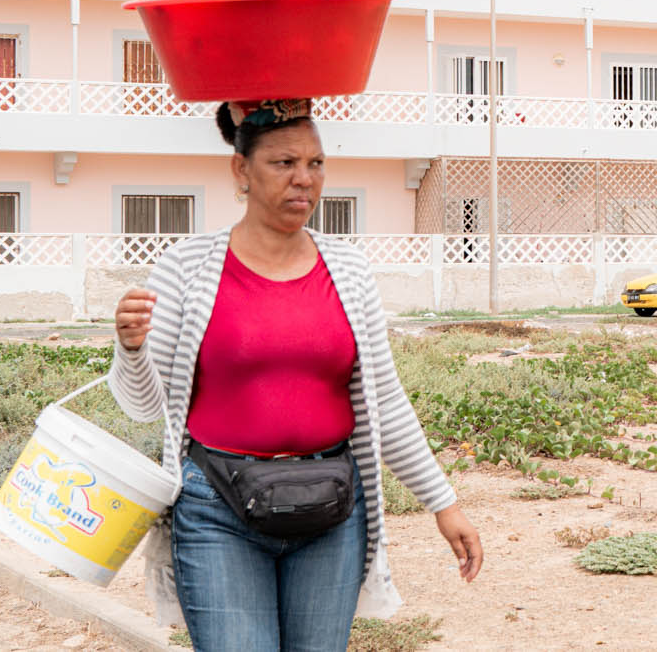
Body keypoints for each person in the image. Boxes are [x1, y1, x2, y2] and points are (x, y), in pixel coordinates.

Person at [113, 99, 482, 651]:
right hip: (217, 507)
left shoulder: (349, 268)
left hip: (331, 508)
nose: (304, 180)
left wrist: (443, 502)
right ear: (241, 170)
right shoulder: (186, 266)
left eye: (315, 163)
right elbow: (147, 406)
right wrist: (131, 349)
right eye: (283, 164)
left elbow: (384, 398)